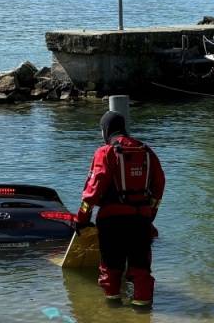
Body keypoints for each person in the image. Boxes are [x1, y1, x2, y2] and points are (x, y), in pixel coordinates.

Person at [75, 111, 166, 308]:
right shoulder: (147, 152)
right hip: (141, 220)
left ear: (105, 130)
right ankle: (143, 312)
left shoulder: (105, 152)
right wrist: (149, 216)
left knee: (111, 268)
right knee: (141, 269)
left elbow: (91, 192)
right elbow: (159, 187)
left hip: (111, 222)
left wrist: (81, 219)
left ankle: (113, 311)